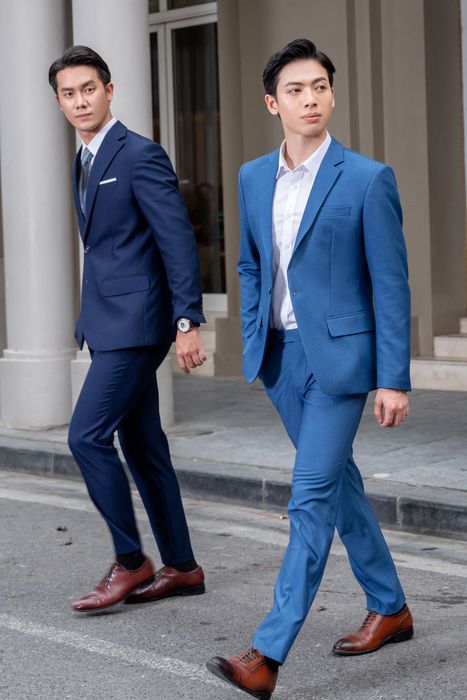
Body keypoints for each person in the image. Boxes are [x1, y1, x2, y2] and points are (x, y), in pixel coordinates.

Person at [207, 39, 413, 699]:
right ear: (273, 103)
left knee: (310, 498)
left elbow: (391, 286)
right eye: (295, 89)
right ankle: (390, 605)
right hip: (280, 359)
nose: (310, 98)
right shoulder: (251, 177)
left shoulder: (367, 178)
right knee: (338, 485)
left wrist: (393, 377)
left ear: (331, 93)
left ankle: (266, 654)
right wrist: (253, 334)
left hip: (340, 366)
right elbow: (249, 262)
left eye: (319, 85)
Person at [48, 45, 207, 612]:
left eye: (88, 89)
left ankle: (131, 560)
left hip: (138, 326)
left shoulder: (139, 154)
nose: (79, 101)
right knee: (143, 446)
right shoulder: (83, 160)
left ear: (109, 91)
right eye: (68, 93)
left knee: (85, 436)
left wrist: (187, 320)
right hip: (107, 323)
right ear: (59, 102)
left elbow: (176, 239)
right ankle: (182, 567)